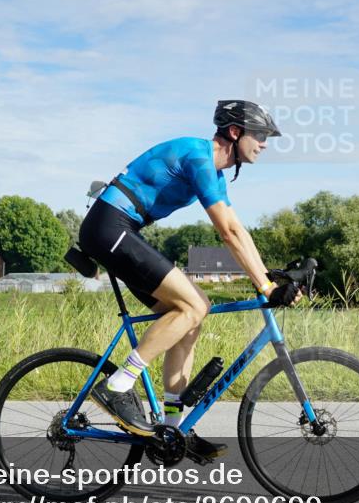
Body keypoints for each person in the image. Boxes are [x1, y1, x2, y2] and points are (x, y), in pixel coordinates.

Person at [78, 100, 304, 461]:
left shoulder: (214, 174)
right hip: (109, 225)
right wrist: (265, 287)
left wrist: (268, 277)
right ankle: (118, 385)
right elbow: (227, 233)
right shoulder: (199, 157)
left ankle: (172, 427)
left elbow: (238, 228)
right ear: (235, 132)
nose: (264, 143)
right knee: (195, 304)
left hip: (120, 228)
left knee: (190, 321)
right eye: (260, 135)